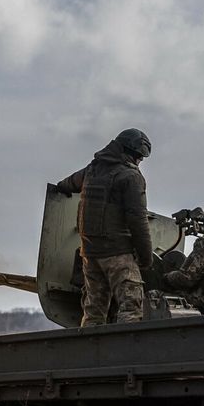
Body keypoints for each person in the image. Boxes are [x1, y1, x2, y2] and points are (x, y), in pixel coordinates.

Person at [55, 128, 153, 326]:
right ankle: (127, 352)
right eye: (138, 157)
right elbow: (137, 219)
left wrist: (60, 187)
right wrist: (146, 256)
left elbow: (68, 183)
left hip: (90, 254)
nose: (139, 162)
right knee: (131, 306)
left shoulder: (92, 170)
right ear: (129, 153)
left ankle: (90, 350)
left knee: (93, 310)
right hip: (118, 253)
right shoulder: (131, 177)